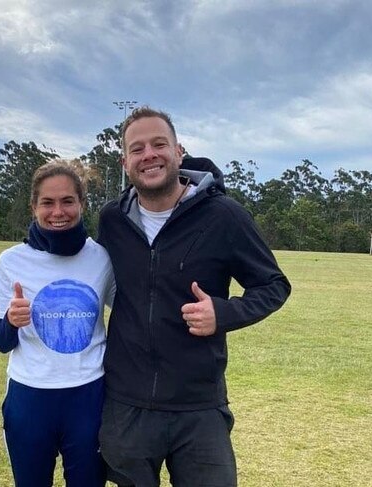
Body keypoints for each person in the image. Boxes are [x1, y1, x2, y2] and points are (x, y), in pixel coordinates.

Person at [97, 107, 291, 487]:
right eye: (137, 149)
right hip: (126, 406)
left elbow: (273, 285)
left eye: (159, 144)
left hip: (199, 406)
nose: (149, 155)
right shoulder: (111, 220)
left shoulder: (224, 216)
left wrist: (224, 313)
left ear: (179, 151)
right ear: (124, 162)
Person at [0, 161, 115, 487]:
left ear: (82, 204)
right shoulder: (10, 262)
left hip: (88, 397)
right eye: (47, 202)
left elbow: (133, 309)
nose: (57, 211)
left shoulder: (101, 257)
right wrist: (11, 321)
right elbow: (1, 341)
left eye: (67, 201)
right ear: (33, 207)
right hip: (29, 399)